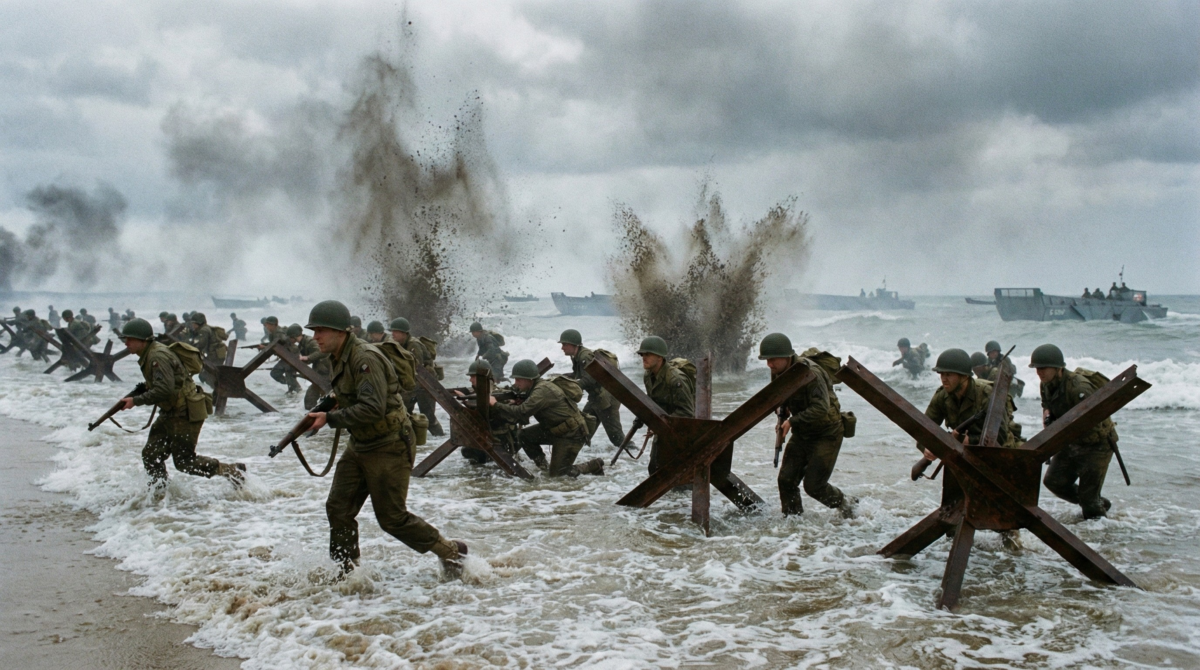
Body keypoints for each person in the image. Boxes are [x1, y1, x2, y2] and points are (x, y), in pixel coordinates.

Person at [301, 300, 467, 579]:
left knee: (392, 518)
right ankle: (347, 574)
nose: (315, 337)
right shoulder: (339, 357)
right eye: (313, 330)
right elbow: (347, 393)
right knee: (338, 508)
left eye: (320, 330)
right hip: (361, 443)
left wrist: (329, 419)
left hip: (388, 444)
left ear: (340, 331)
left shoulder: (364, 358)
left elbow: (372, 408)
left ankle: (452, 551)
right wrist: (328, 407)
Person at [111, 318, 244, 490]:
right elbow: (169, 382)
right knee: (151, 455)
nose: (126, 343)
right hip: (171, 411)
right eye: (125, 339)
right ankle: (160, 492)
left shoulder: (156, 355)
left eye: (130, 339)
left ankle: (231, 470)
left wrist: (135, 401)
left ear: (143, 340)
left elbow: (164, 389)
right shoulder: (150, 353)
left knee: (185, 462)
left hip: (184, 413)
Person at [920, 348, 1019, 548]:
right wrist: (928, 448)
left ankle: (1010, 548)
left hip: (998, 455)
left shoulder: (988, 393)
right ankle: (956, 546)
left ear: (964, 376)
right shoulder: (942, 396)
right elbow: (923, 428)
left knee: (1001, 516)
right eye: (941, 374)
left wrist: (967, 440)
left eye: (948, 374)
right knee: (952, 511)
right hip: (962, 457)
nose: (943, 379)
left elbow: (999, 436)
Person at [758, 333, 855, 518]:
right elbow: (779, 394)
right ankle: (793, 522)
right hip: (804, 431)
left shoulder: (812, 372)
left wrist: (791, 421)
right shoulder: (778, 370)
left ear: (786, 357)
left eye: (772, 359)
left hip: (827, 432)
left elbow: (821, 408)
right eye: (766, 360)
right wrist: (782, 409)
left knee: (814, 486)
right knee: (786, 480)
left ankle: (848, 505)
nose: (769, 364)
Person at [1031, 344, 1118, 519]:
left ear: (1057, 368)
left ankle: (1100, 533)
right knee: (1054, 482)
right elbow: (1046, 404)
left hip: (1096, 444)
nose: (1039, 372)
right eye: (1036, 368)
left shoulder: (1079, 388)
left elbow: (1093, 422)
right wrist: (1047, 414)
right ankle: (1095, 501)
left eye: (1043, 368)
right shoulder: (1046, 384)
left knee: (1090, 506)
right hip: (1071, 440)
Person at [488, 359, 603, 477]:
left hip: (572, 433)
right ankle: (544, 467)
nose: (516, 383)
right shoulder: (535, 388)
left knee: (559, 476)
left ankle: (592, 465)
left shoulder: (542, 390)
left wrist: (496, 404)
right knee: (524, 436)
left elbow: (521, 412)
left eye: (518, 379)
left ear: (530, 379)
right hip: (556, 429)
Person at [636, 336, 694, 475]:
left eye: (648, 354)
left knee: (680, 475)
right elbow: (652, 401)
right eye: (642, 354)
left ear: (660, 357)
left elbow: (687, 413)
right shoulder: (648, 376)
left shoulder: (675, 379)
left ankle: (681, 497)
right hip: (663, 428)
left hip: (680, 430)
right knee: (654, 469)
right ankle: (665, 498)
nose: (644, 357)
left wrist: (661, 424)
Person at [558, 329, 624, 447]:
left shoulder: (584, 356)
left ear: (573, 345)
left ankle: (635, 457)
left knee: (616, 437)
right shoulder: (577, 356)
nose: (562, 348)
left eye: (564, 344)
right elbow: (580, 375)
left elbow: (589, 379)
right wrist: (563, 378)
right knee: (583, 431)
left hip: (606, 400)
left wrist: (572, 387)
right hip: (596, 398)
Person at [454, 360, 520, 464]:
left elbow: (485, 411)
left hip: (498, 438)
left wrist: (466, 401)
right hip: (493, 438)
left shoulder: (494, 393)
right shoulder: (483, 390)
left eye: (473, 376)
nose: (470, 380)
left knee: (469, 452)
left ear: (483, 377)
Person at [389, 318, 444, 437]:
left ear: (404, 333)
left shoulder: (413, 345)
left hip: (425, 384)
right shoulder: (401, 344)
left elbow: (416, 369)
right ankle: (410, 439)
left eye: (396, 331)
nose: (393, 334)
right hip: (415, 385)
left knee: (429, 418)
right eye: (392, 331)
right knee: (404, 414)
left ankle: (440, 438)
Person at [270, 324, 306, 394]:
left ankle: (294, 388)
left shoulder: (279, 333)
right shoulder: (276, 332)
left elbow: (284, 340)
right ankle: (293, 387)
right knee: (288, 375)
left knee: (282, 373)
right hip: (288, 356)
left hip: (291, 355)